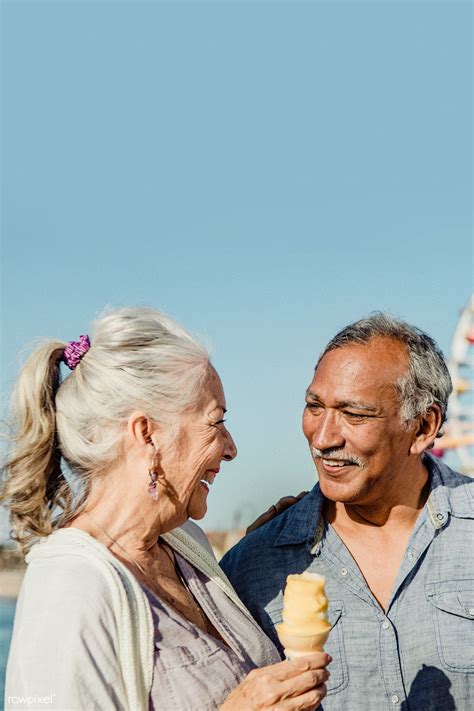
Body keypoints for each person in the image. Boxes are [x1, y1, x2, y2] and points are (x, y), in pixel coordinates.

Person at [2, 307, 330, 711]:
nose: (231, 448)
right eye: (215, 423)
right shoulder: (69, 587)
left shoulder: (184, 543)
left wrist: (259, 547)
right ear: (146, 434)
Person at [221, 313, 473, 711]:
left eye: (354, 414)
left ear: (424, 427)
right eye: (314, 406)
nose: (323, 437)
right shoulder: (251, 568)